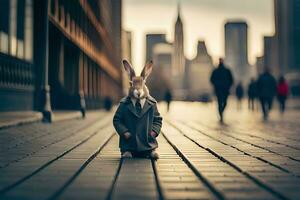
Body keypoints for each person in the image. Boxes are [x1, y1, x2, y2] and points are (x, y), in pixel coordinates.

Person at [210, 58, 234, 122]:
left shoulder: (227, 70)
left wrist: (228, 85)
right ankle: (221, 115)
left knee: (225, 103)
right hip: (219, 90)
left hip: (225, 89)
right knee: (220, 103)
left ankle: (221, 112)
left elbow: (231, 80)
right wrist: (216, 84)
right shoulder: (216, 71)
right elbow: (211, 80)